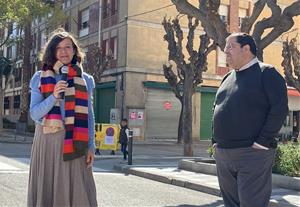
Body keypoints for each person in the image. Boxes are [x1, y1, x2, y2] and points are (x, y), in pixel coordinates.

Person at [212, 33, 288, 207]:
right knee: (231, 204)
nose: (225, 50)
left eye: (230, 46)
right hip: (224, 153)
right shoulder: (227, 78)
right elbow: (216, 107)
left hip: (252, 153)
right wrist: (215, 141)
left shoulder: (266, 73)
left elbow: (279, 109)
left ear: (246, 49)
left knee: (252, 203)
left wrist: (262, 142)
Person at [27, 28, 98, 207]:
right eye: (58, 48)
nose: (63, 51)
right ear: (53, 52)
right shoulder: (40, 78)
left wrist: (91, 145)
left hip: (76, 140)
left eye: (67, 47)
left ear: (74, 50)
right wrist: (54, 96)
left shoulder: (86, 79)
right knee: (49, 189)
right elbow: (35, 114)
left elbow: (89, 115)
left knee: (79, 188)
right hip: (48, 142)